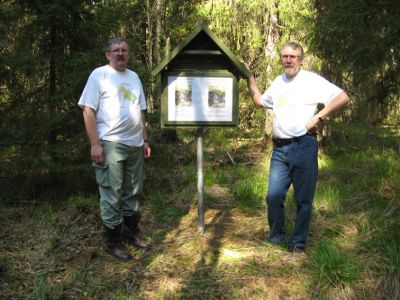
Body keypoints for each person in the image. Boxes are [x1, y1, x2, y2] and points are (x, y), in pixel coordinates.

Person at [246, 42, 349, 253]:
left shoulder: (311, 81)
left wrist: (318, 116)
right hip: (280, 150)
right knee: (273, 196)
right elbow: (259, 101)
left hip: (303, 146)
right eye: (285, 56)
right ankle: (276, 239)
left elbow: (342, 97)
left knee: (303, 199)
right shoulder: (277, 82)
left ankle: (297, 244)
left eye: (293, 56)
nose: (288, 60)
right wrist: (249, 77)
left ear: (300, 59)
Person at [78, 37, 152, 261]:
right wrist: (95, 144)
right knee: (111, 194)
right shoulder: (99, 75)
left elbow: (141, 111)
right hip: (110, 143)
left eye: (124, 50)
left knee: (134, 191)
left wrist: (145, 140)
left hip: (135, 143)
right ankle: (113, 242)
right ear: (107, 55)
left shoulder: (134, 77)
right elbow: (88, 110)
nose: (121, 53)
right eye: (116, 50)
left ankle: (131, 234)